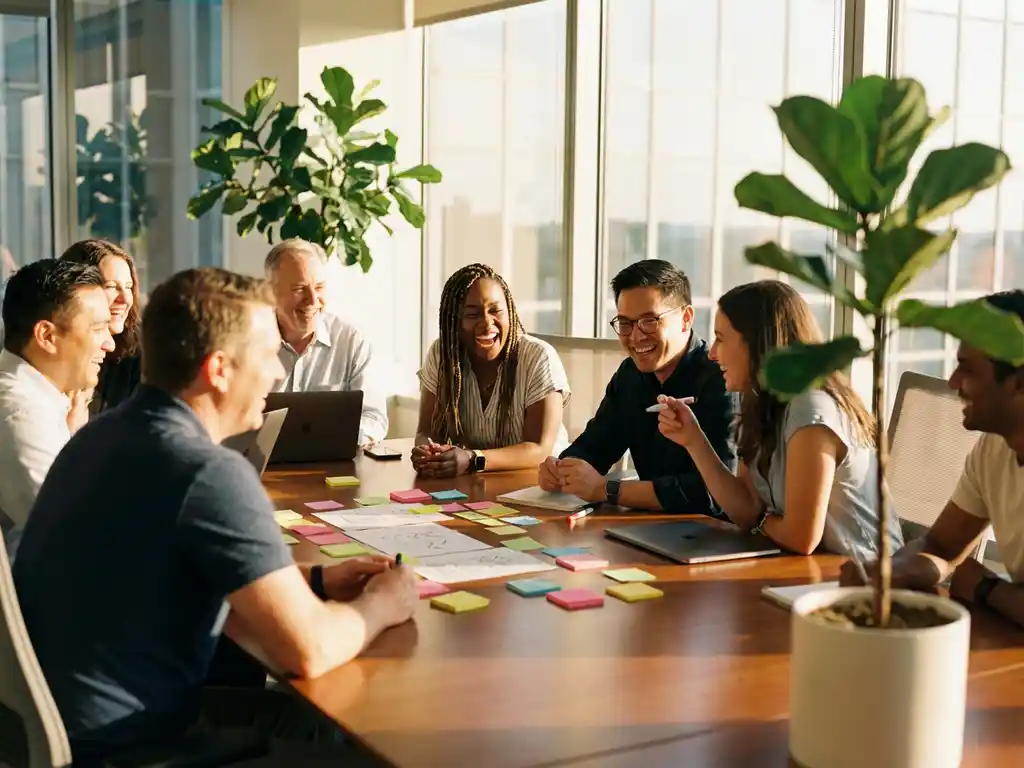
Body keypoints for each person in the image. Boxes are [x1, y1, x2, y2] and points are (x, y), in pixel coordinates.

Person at [13, 267, 417, 764]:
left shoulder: (99, 437)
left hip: (63, 733)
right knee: (370, 753)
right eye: (268, 355)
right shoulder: (207, 472)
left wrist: (313, 579)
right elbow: (309, 649)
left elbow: (171, 573)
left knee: (304, 721)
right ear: (219, 369)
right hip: (133, 749)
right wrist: (383, 601)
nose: (279, 373)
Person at [657, 280, 902, 557]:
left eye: (721, 339)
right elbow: (745, 508)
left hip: (867, 577)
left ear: (759, 343)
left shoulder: (811, 408)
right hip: (809, 568)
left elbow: (800, 538)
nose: (712, 353)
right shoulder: (758, 402)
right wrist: (694, 440)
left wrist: (759, 519)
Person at [840, 290, 1024, 627]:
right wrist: (888, 573)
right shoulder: (992, 449)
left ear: (1018, 383)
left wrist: (985, 587)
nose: (953, 383)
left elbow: (968, 574)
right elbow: (941, 547)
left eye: (967, 370)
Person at [539, 259, 736, 514]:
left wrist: (608, 490)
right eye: (625, 323)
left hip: (713, 537)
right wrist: (561, 469)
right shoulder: (630, 375)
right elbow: (596, 445)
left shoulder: (722, 379)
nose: (636, 336)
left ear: (686, 318)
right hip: (646, 528)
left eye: (649, 321)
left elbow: (715, 494)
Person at [412, 263, 571, 477]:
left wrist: (472, 459)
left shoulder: (539, 357)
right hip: (477, 488)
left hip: (540, 487)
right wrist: (427, 451)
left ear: (510, 312)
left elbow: (539, 449)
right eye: (472, 314)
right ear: (454, 321)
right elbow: (426, 431)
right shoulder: (443, 355)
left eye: (495, 311)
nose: (487, 323)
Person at [0, 259, 114, 557]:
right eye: (98, 328)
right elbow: (82, 532)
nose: (109, 344)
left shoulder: (46, 403)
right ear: (47, 337)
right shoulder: (20, 414)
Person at [266, 239, 388, 446]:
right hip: (261, 468)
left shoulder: (352, 340)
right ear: (271, 292)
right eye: (299, 289)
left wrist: (337, 437)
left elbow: (374, 418)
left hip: (334, 469)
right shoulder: (244, 340)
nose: (313, 300)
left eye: (319, 287)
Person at [60, 239, 143, 412]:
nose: (125, 299)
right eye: (111, 287)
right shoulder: (58, 352)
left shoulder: (141, 355)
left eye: (128, 287)